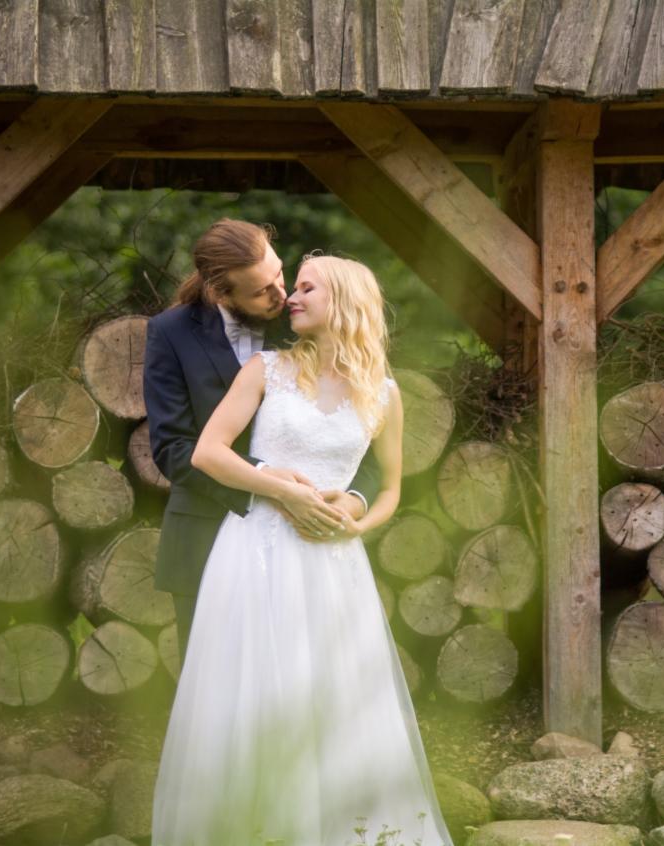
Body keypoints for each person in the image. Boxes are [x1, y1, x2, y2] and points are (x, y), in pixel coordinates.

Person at [151, 252, 454, 846]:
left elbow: (390, 487)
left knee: (332, 696)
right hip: (254, 550)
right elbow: (208, 453)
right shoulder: (266, 369)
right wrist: (282, 489)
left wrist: (356, 521)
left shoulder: (384, 395)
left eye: (308, 288)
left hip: (333, 563)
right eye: (296, 287)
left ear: (343, 301)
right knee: (250, 693)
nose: (292, 297)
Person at [143, 219, 379, 663]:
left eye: (280, 275)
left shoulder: (307, 318)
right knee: (215, 690)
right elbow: (173, 448)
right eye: (261, 291)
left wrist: (352, 501)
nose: (282, 295)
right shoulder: (170, 333)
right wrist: (268, 484)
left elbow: (362, 426)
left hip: (309, 541)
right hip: (206, 532)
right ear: (220, 293)